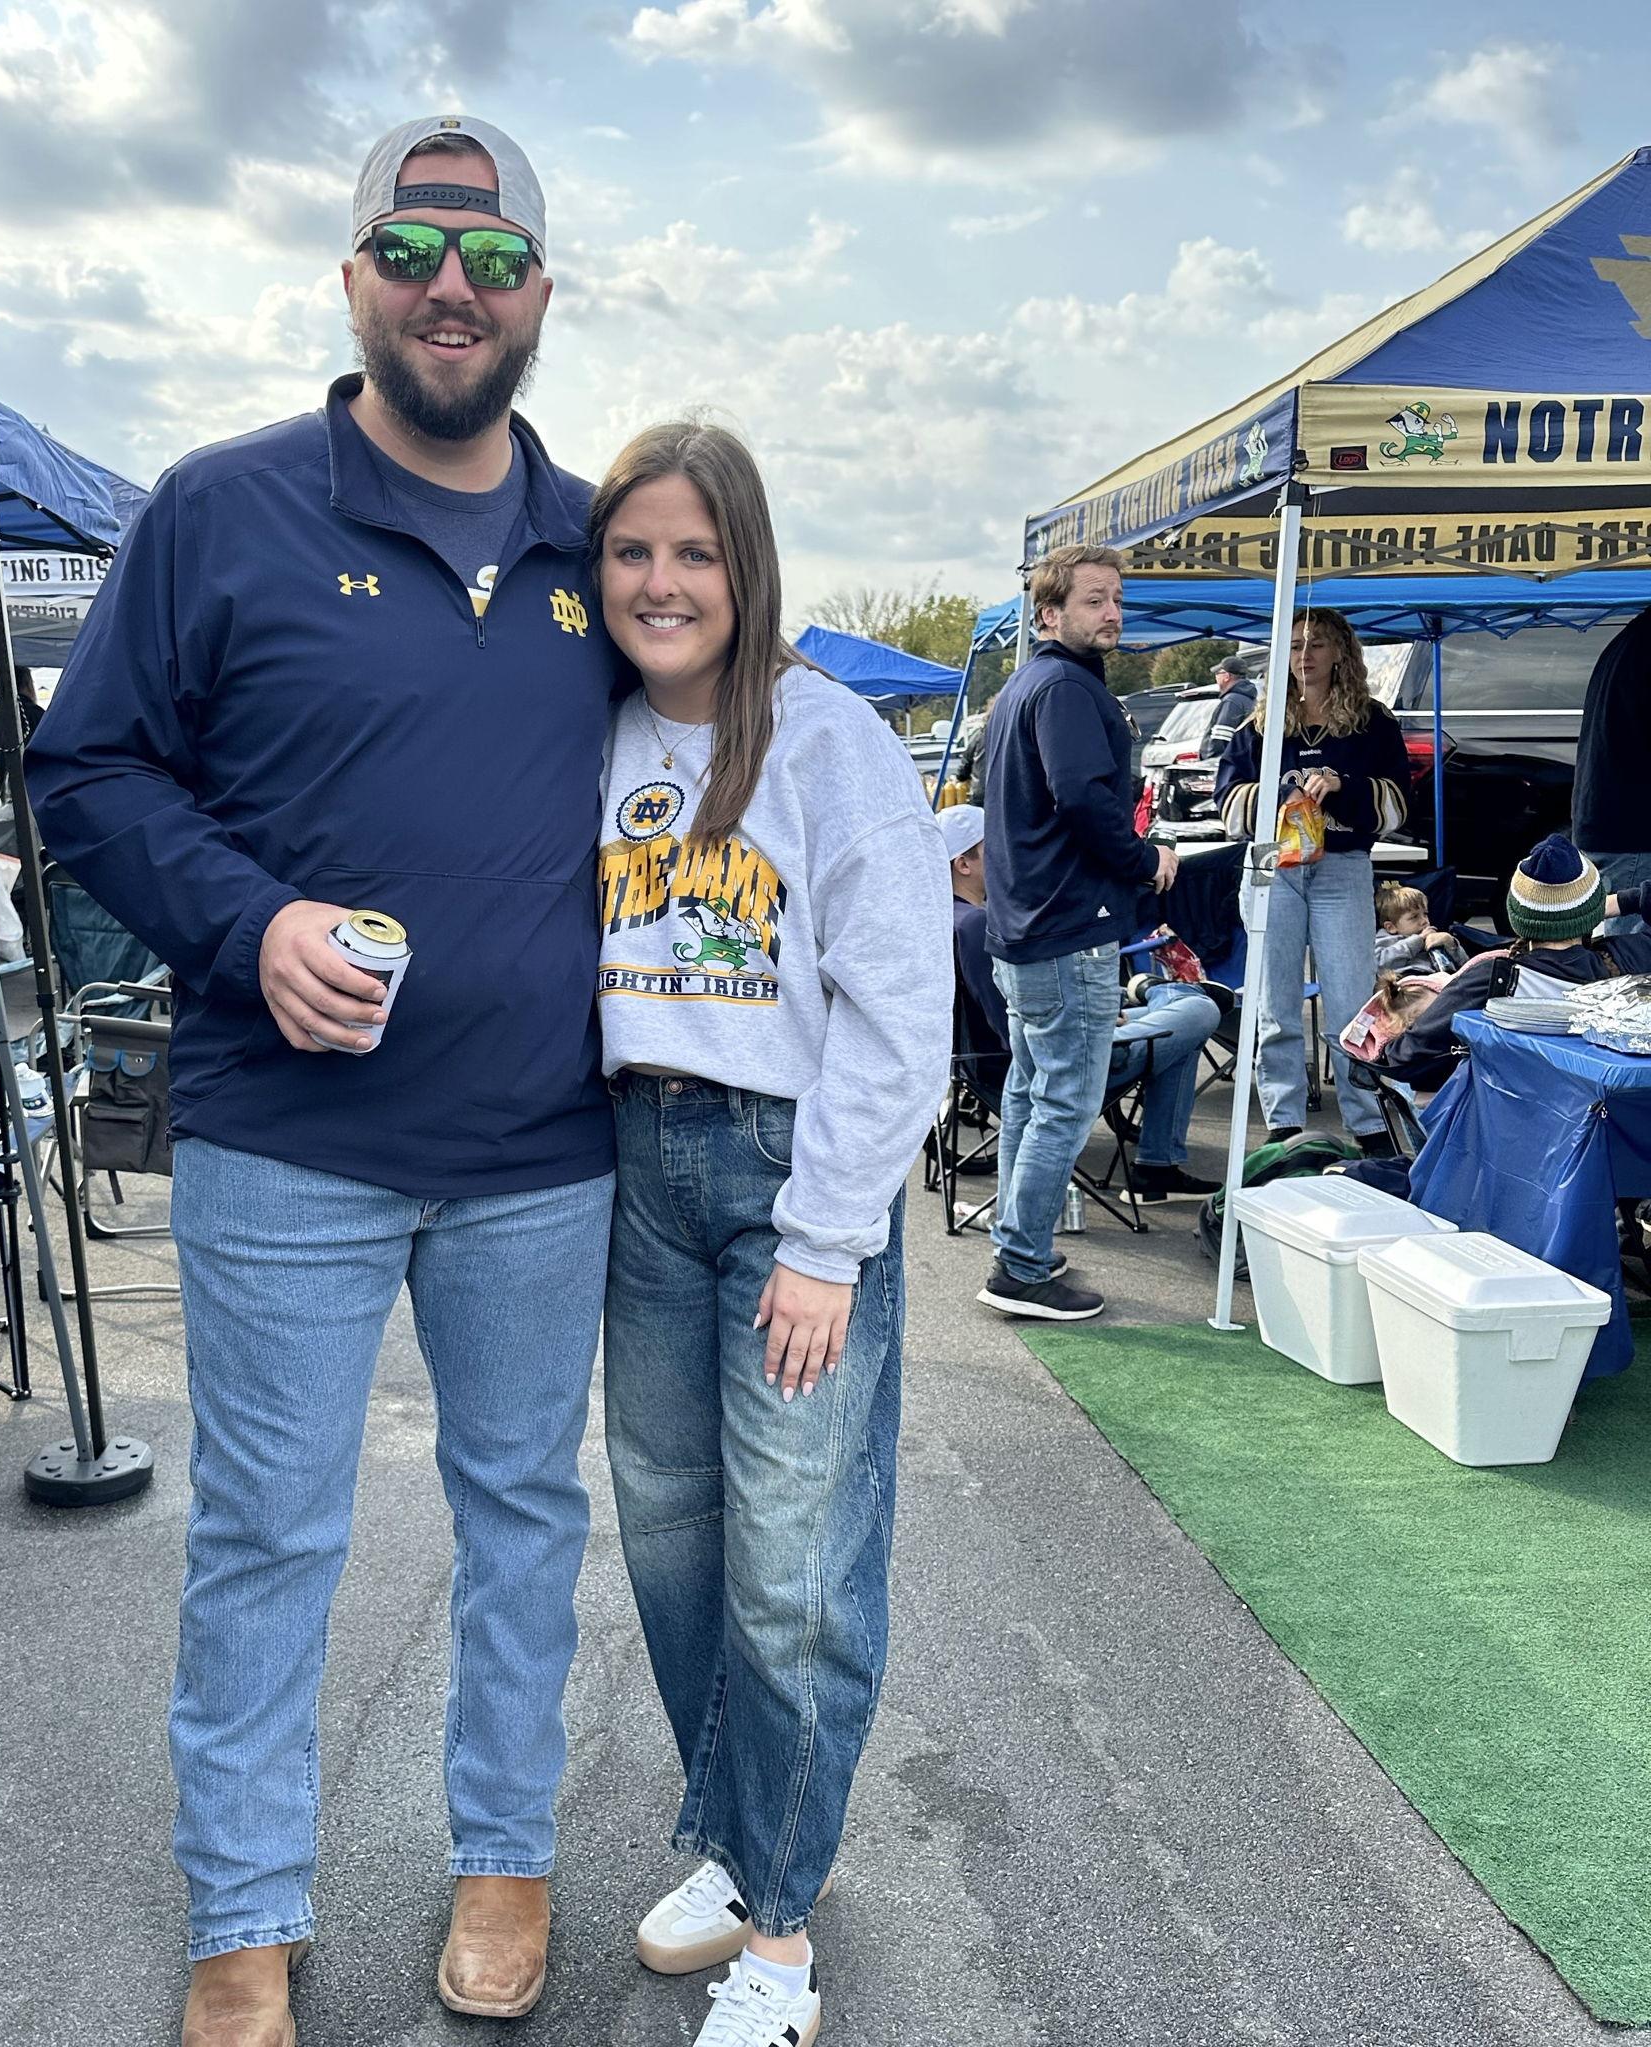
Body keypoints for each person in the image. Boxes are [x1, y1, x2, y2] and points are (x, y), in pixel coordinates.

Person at [27, 116, 624, 2047]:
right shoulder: (219, 510)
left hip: (541, 1151)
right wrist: (246, 923)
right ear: (351, 274)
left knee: (524, 1512)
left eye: (490, 254)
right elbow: (89, 776)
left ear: (540, 288)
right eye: (408, 243)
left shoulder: (599, 545)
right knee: (269, 1532)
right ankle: (243, 1916)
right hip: (287, 1145)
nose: (450, 284)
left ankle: (505, 1856)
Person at [591, 420, 951, 2047]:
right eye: (632, 550)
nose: (661, 581)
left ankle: (785, 1933)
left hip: (783, 1173)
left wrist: (825, 1236)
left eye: (694, 551)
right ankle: (738, 1844)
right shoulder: (591, 734)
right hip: (634, 1167)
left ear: (743, 568)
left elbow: (901, 1006)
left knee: (795, 1565)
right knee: (672, 1542)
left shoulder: (827, 742)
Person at [977, 543, 1177, 1322]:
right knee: (1061, 1099)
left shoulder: (1028, 685)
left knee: (1032, 1092)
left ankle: (1016, 1247)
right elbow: (1081, 799)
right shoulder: (1060, 686)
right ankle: (1021, 1263)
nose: (1113, 612)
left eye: (1117, 598)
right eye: (1095, 599)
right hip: (1065, 926)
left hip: (1029, 927)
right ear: (1049, 613)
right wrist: (1143, 860)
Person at [945, 803, 1221, 1207]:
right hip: (1051, 1062)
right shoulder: (975, 927)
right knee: (1200, 1011)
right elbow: (1012, 1025)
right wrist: (1091, 1020)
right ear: (963, 864)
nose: (1007, 853)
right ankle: (1152, 992)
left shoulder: (952, 918)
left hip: (999, 1061)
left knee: (1185, 1015)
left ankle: (1157, 1168)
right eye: (994, 848)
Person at [1214, 609, 1408, 1154]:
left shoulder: (1373, 721)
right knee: (1275, 1005)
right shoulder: (1261, 721)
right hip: (1272, 867)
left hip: (1342, 868)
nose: (1305, 655)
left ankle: (1369, 1124)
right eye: (1295, 644)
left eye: (1317, 644)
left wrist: (1344, 786)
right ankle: (1283, 1124)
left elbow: (1397, 803)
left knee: (1350, 1004)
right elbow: (1225, 801)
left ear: (1341, 652)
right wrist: (1279, 796)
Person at [1384, 838, 1651, 1091]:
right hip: (1610, 1122)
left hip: (1514, 1121)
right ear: (1593, 912)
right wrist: (1625, 900)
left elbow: (1407, 1054)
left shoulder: (1489, 978)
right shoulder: (1632, 957)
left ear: (1516, 915)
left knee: (1404, 1086)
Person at [1571, 605, 1651, 936]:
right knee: (1632, 971)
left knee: (1617, 951)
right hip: (1633, 835)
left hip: (1611, 825)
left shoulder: (1632, 639)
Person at [1372, 881, 1464, 975]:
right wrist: (1418, 940)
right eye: (1414, 917)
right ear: (1391, 927)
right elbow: (1379, 964)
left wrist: (1451, 944)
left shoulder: (1433, 937)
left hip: (1441, 978)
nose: (1424, 921)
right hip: (1406, 979)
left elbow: (1464, 964)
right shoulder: (1385, 939)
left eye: (1425, 914)